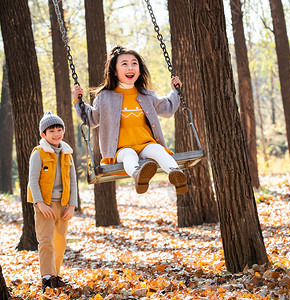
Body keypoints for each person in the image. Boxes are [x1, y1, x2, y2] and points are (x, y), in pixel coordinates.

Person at [72, 45, 188, 194]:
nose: (130, 67)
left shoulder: (146, 94)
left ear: (139, 70)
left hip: (146, 143)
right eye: (124, 64)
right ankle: (139, 175)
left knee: (159, 150)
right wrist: (78, 102)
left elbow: (166, 108)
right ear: (114, 71)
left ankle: (176, 174)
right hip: (120, 149)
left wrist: (175, 91)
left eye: (134, 63)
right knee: (129, 156)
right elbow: (92, 119)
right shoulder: (105, 97)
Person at [27, 111, 78, 292]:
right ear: (43, 134)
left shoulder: (67, 153)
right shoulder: (38, 153)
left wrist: (72, 206)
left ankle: (55, 276)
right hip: (45, 206)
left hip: (63, 205)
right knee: (46, 242)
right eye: (52, 131)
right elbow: (33, 180)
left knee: (60, 242)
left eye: (59, 129)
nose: (56, 134)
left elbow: (72, 181)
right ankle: (46, 279)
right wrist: (40, 204)